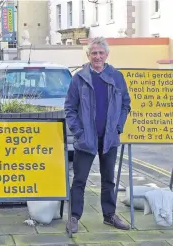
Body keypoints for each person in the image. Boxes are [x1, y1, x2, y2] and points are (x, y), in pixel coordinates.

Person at [64, 37, 131, 237]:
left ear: (107, 55)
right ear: (88, 55)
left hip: (109, 139)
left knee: (109, 180)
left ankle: (109, 215)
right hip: (86, 139)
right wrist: (79, 132)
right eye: (94, 53)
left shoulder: (116, 77)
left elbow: (125, 104)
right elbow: (69, 108)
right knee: (79, 180)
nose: (97, 56)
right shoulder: (79, 78)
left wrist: (118, 127)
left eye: (101, 53)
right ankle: (74, 217)